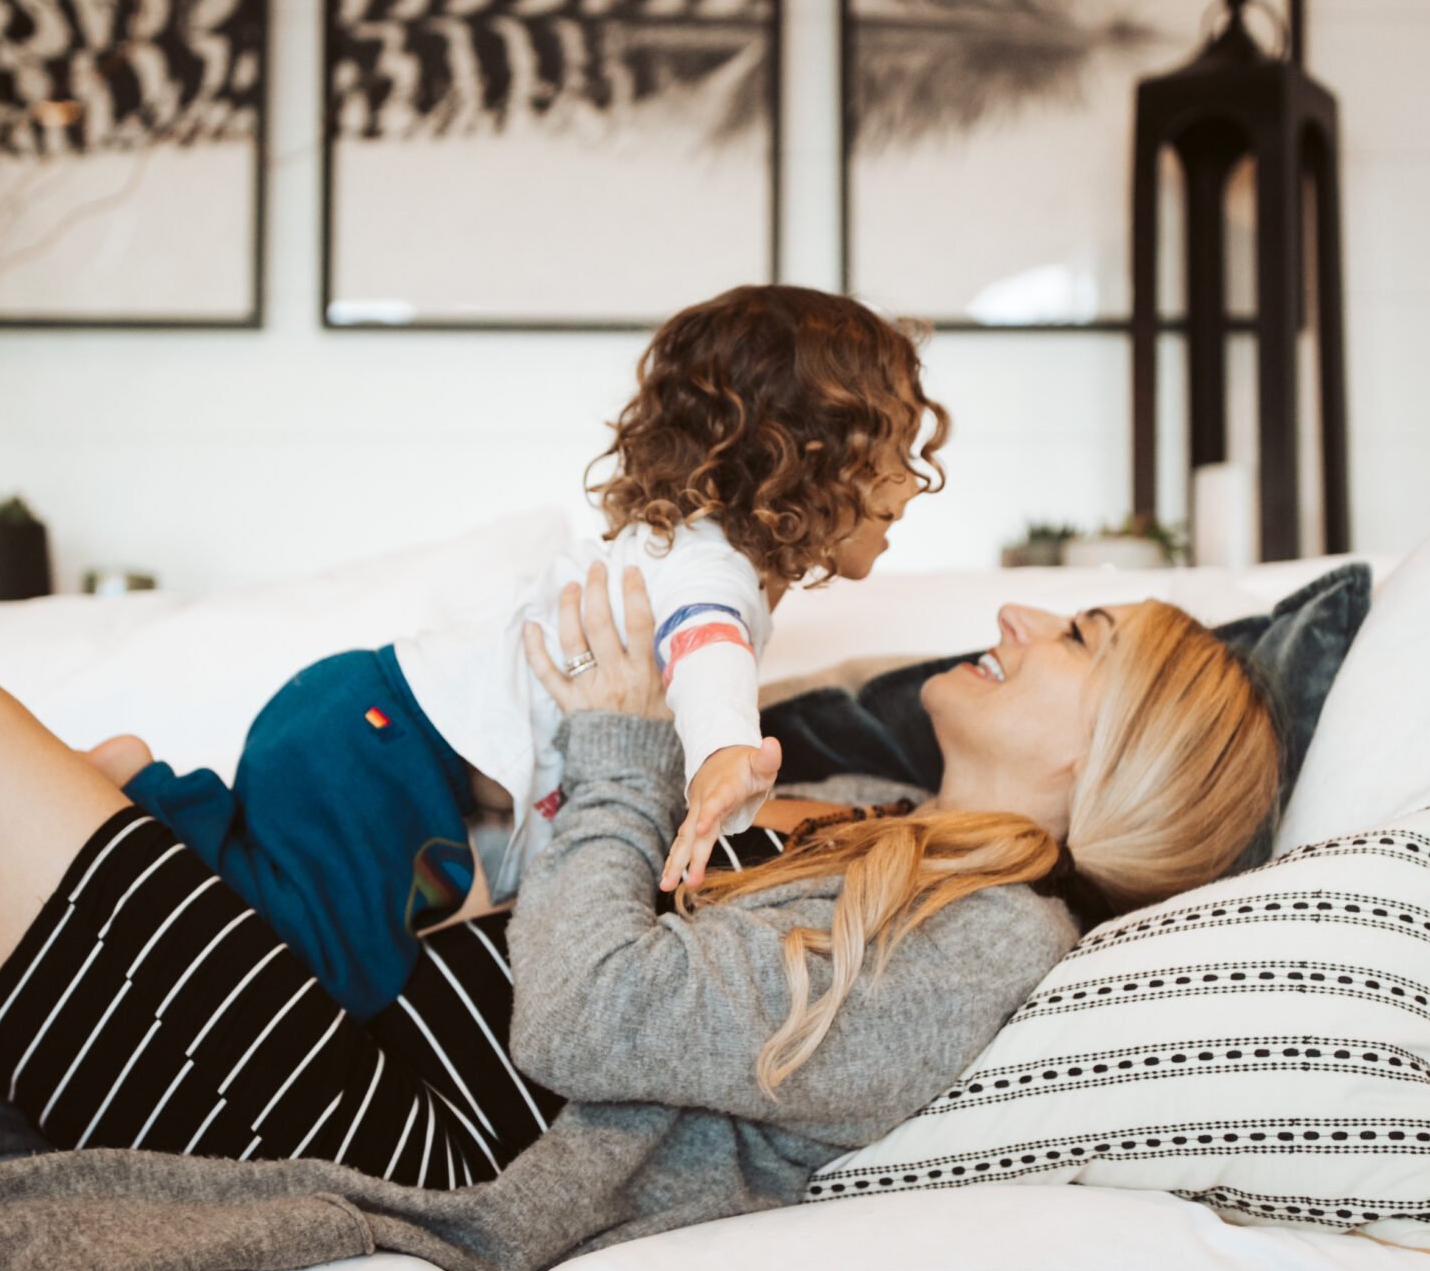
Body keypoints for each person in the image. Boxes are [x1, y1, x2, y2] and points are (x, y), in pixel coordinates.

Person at [0, 568, 1282, 1271]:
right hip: (344, 1040)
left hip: (364, 1124)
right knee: (25, 787)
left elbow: (581, 1022)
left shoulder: (984, 942)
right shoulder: (869, 805)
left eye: (1079, 635)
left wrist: (621, 740)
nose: (1021, 614)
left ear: (1110, 763)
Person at [87, 285, 948, 1027]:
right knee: (327, 973)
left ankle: (159, 809)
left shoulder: (694, 555)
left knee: (328, 946)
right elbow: (703, 643)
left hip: (375, 739)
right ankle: (142, 800)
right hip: (383, 745)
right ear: (801, 459)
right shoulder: (709, 565)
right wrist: (726, 748)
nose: (916, 484)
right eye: (894, 454)